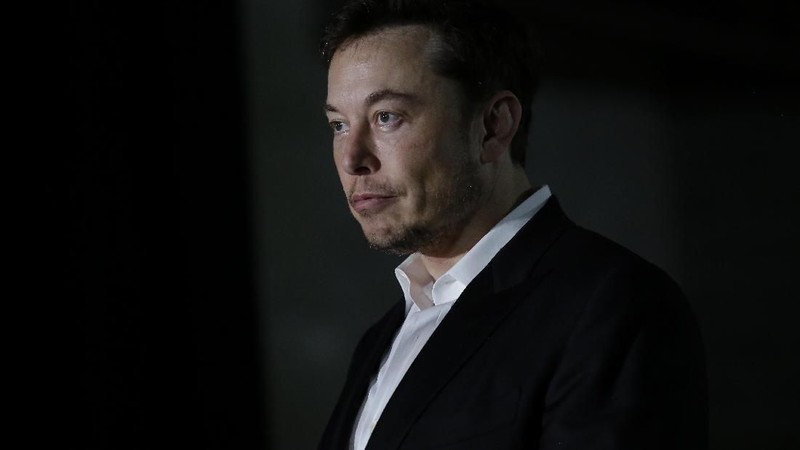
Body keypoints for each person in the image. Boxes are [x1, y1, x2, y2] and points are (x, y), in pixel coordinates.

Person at [318, 1, 707, 449]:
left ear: (493, 126)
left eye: (387, 117)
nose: (351, 159)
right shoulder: (382, 338)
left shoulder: (614, 307)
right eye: (339, 124)